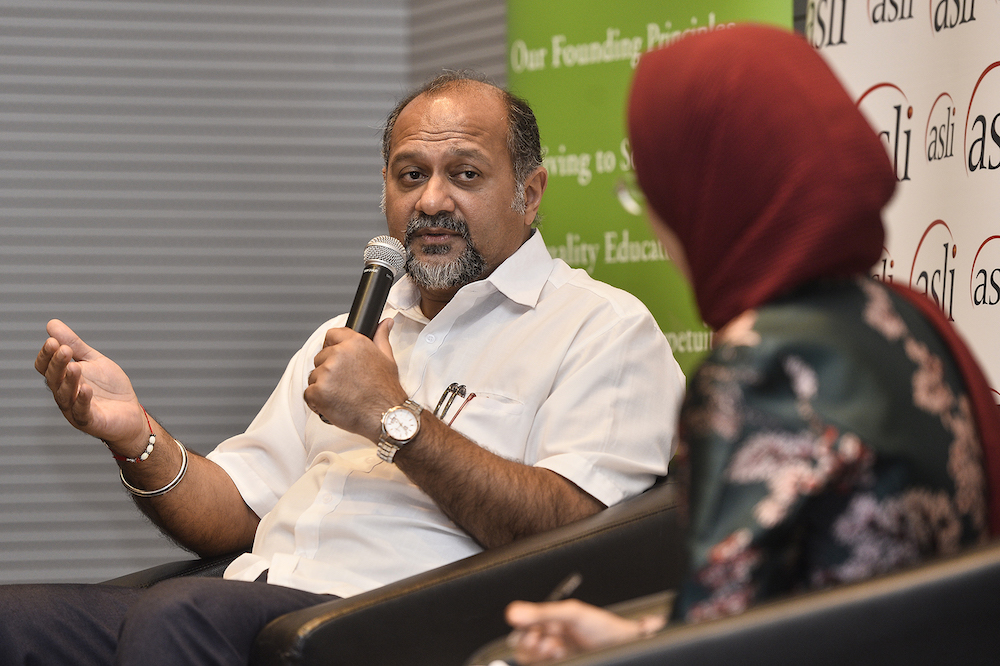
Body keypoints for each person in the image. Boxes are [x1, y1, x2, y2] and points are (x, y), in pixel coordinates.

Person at [0, 72, 684, 665]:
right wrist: (136, 437)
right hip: (250, 597)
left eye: (465, 174)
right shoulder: (348, 333)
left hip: (404, 622)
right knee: (15, 622)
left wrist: (392, 418)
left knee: (179, 615)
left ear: (528, 193)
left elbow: (579, 534)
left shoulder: (601, 327)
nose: (431, 201)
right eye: (410, 176)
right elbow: (236, 512)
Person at [501, 24, 1000, 665]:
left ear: (710, 192)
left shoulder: (761, 367)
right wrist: (635, 639)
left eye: (654, 188)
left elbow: (719, 650)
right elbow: (788, 610)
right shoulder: (907, 315)